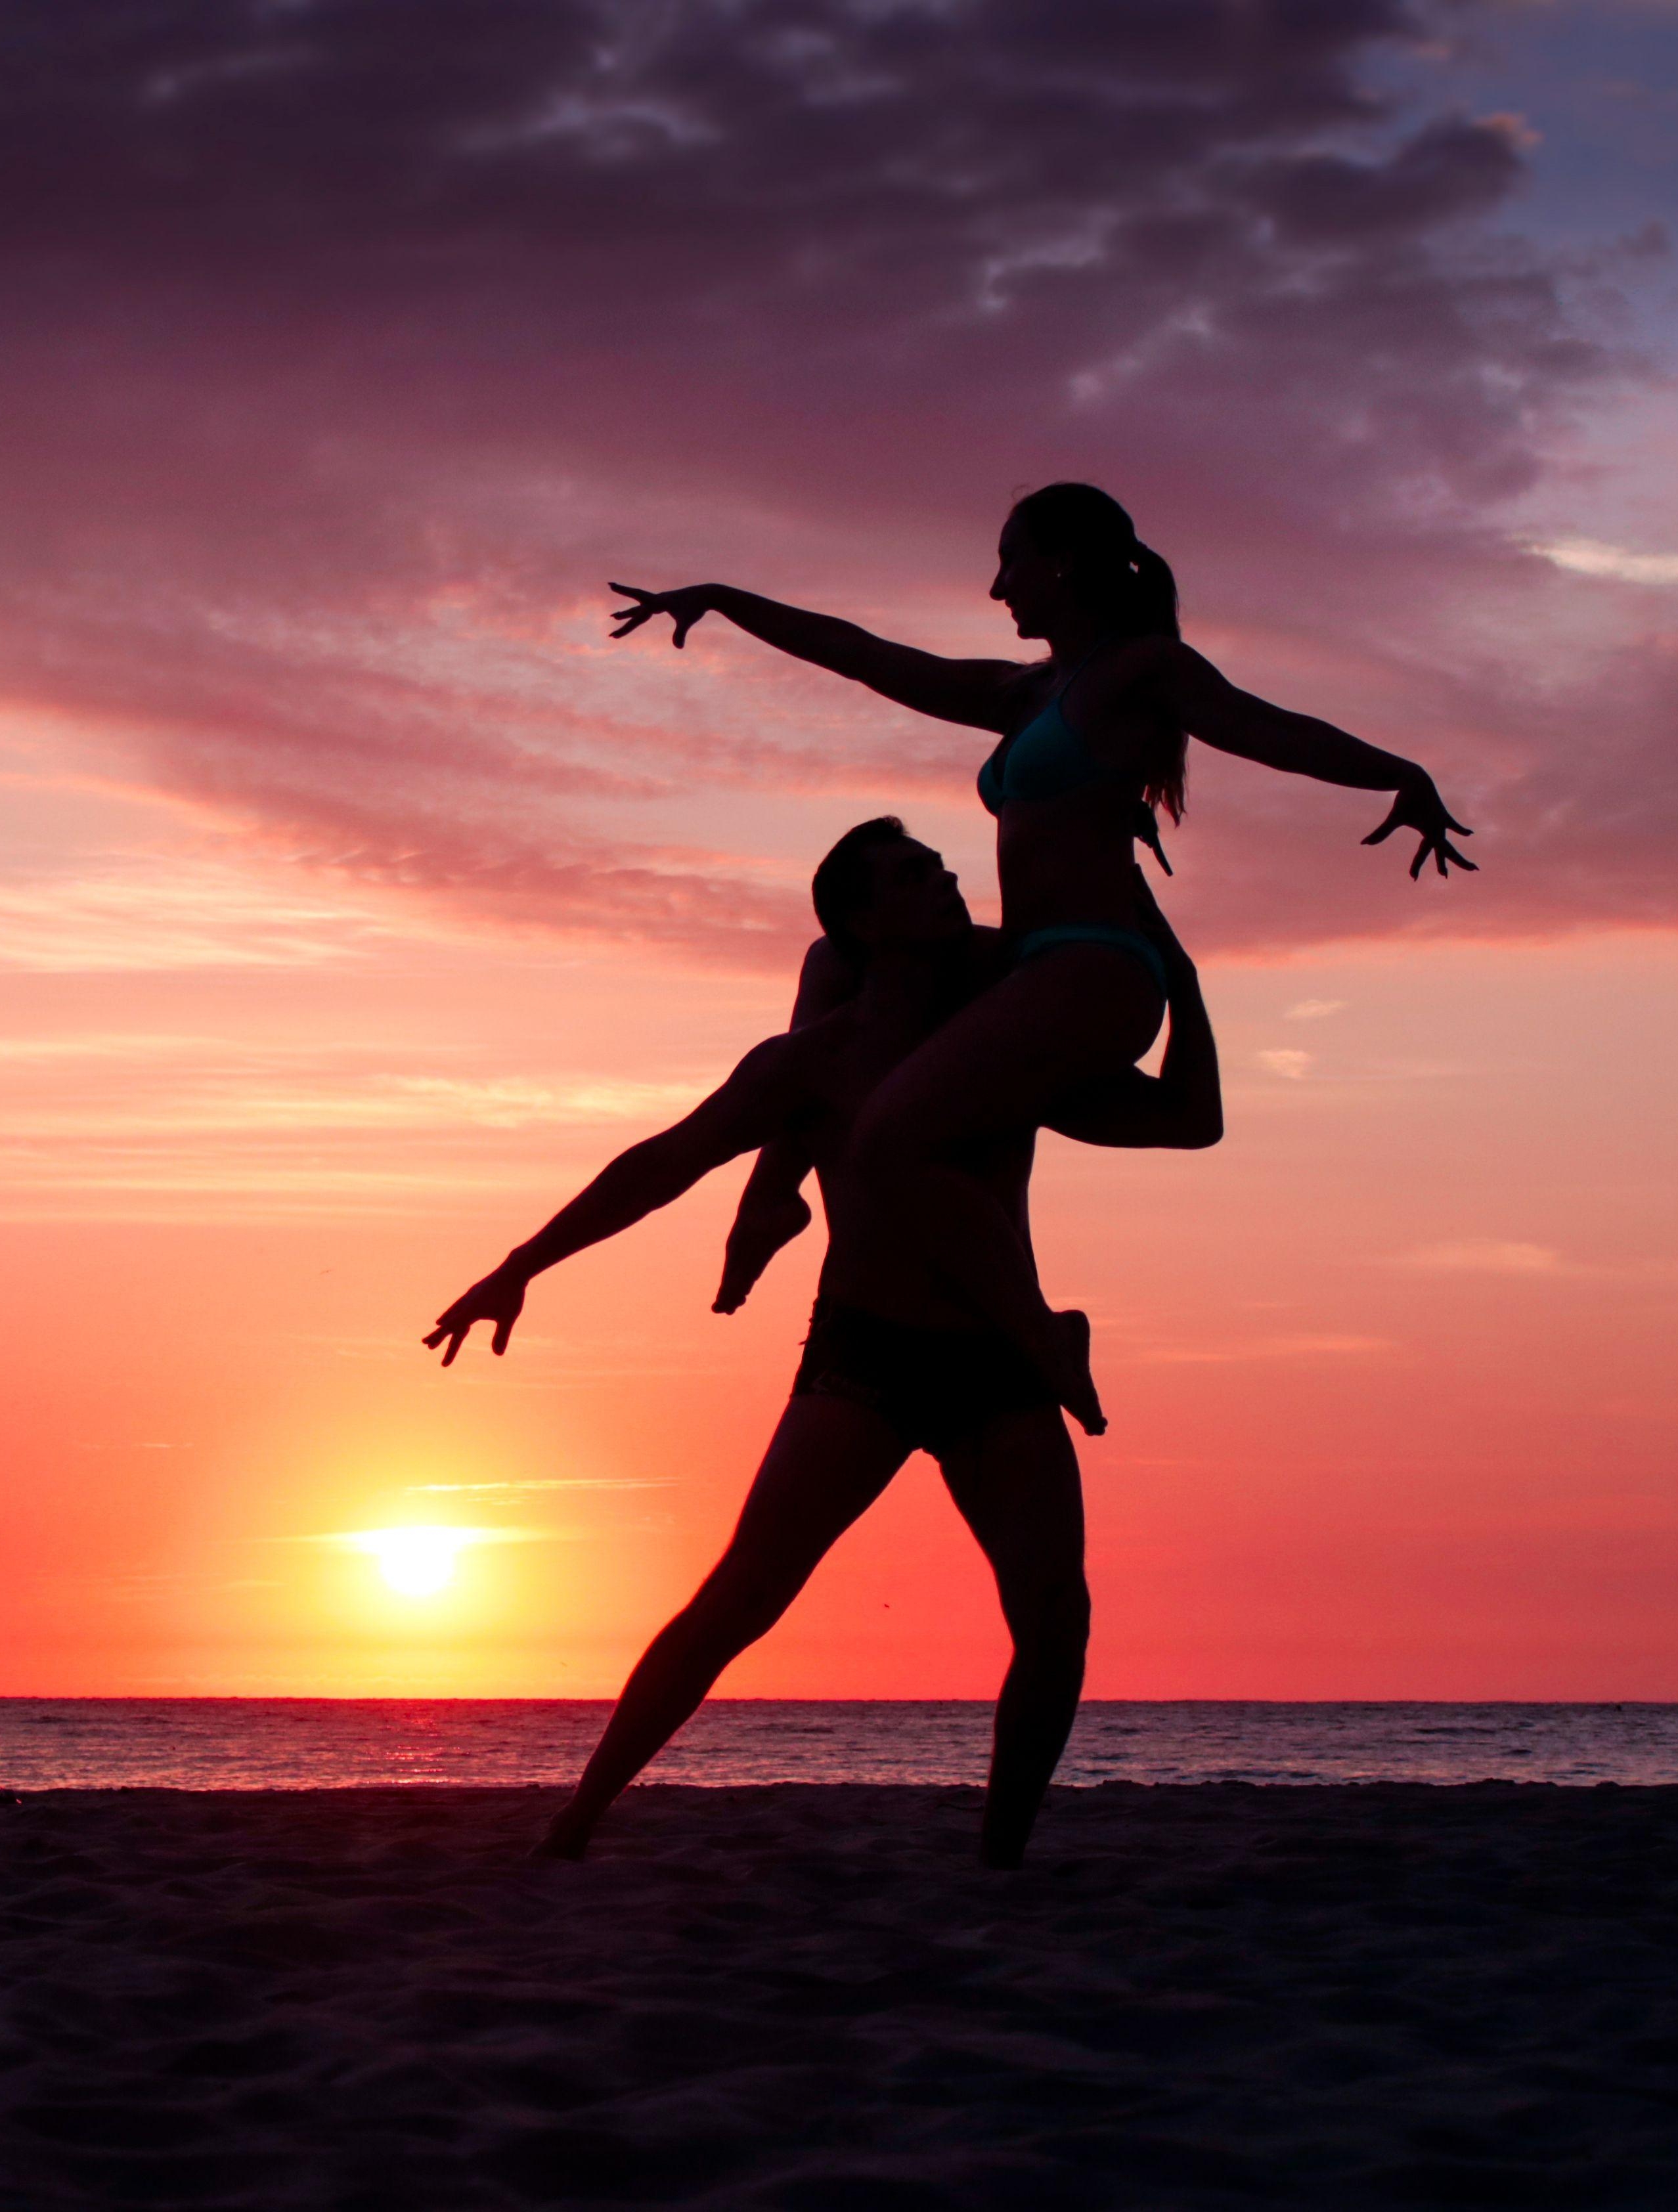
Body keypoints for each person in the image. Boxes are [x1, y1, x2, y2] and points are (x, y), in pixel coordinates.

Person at [425, 819, 1220, 1865]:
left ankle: (1001, 1861)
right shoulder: (811, 1064)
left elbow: (1189, 1119)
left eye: (939, 864)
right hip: (865, 1357)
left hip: (998, 1363)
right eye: (909, 874)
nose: (941, 876)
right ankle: (578, 1821)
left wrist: (1179, 971)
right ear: (860, 924)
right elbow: (662, 1163)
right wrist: (520, 1266)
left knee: (1054, 1621)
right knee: (742, 1597)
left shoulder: (1002, 1047)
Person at [608, 483, 1470, 1425]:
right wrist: (729, 600)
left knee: (892, 1136)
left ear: (1062, 564)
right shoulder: (1022, 694)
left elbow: (1267, 729)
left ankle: (1043, 1331)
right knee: (839, 958)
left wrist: (1400, 772)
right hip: (1024, 965)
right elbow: (867, 658)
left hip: (1094, 968)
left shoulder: (1143, 669)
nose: (996, 587)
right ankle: (773, 1194)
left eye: (1010, 560)